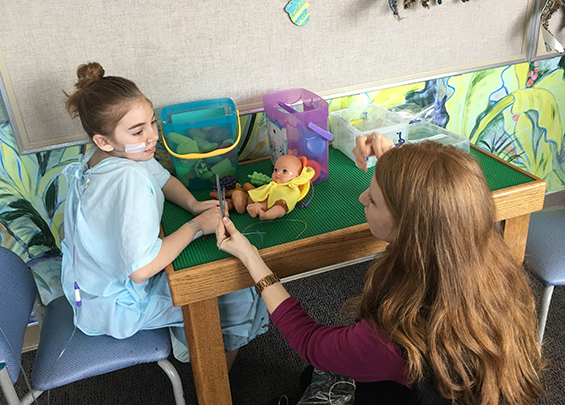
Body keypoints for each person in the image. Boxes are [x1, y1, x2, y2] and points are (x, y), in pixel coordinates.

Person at [216, 132, 544, 404]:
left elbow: (310, 342)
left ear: (409, 227)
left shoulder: (394, 339)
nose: (361, 198)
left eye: (373, 200)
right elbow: (431, 196)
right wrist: (393, 162)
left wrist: (252, 258)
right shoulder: (492, 269)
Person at [60, 62, 268, 367]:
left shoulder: (109, 153)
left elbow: (161, 178)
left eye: (152, 123)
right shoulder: (127, 179)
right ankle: (213, 374)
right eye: (138, 130)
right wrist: (197, 225)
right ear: (103, 140)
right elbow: (141, 269)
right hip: (115, 305)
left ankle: (193, 334)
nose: (152, 137)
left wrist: (193, 205)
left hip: (87, 288)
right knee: (235, 290)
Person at [232, 154, 315, 219]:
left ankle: (266, 215)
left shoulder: (292, 188)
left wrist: (284, 200)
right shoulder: (273, 185)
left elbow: (292, 196)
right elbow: (263, 191)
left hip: (281, 202)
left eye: (284, 171)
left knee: (280, 208)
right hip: (268, 199)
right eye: (275, 170)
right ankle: (256, 207)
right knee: (261, 200)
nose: (277, 173)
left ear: (297, 176)